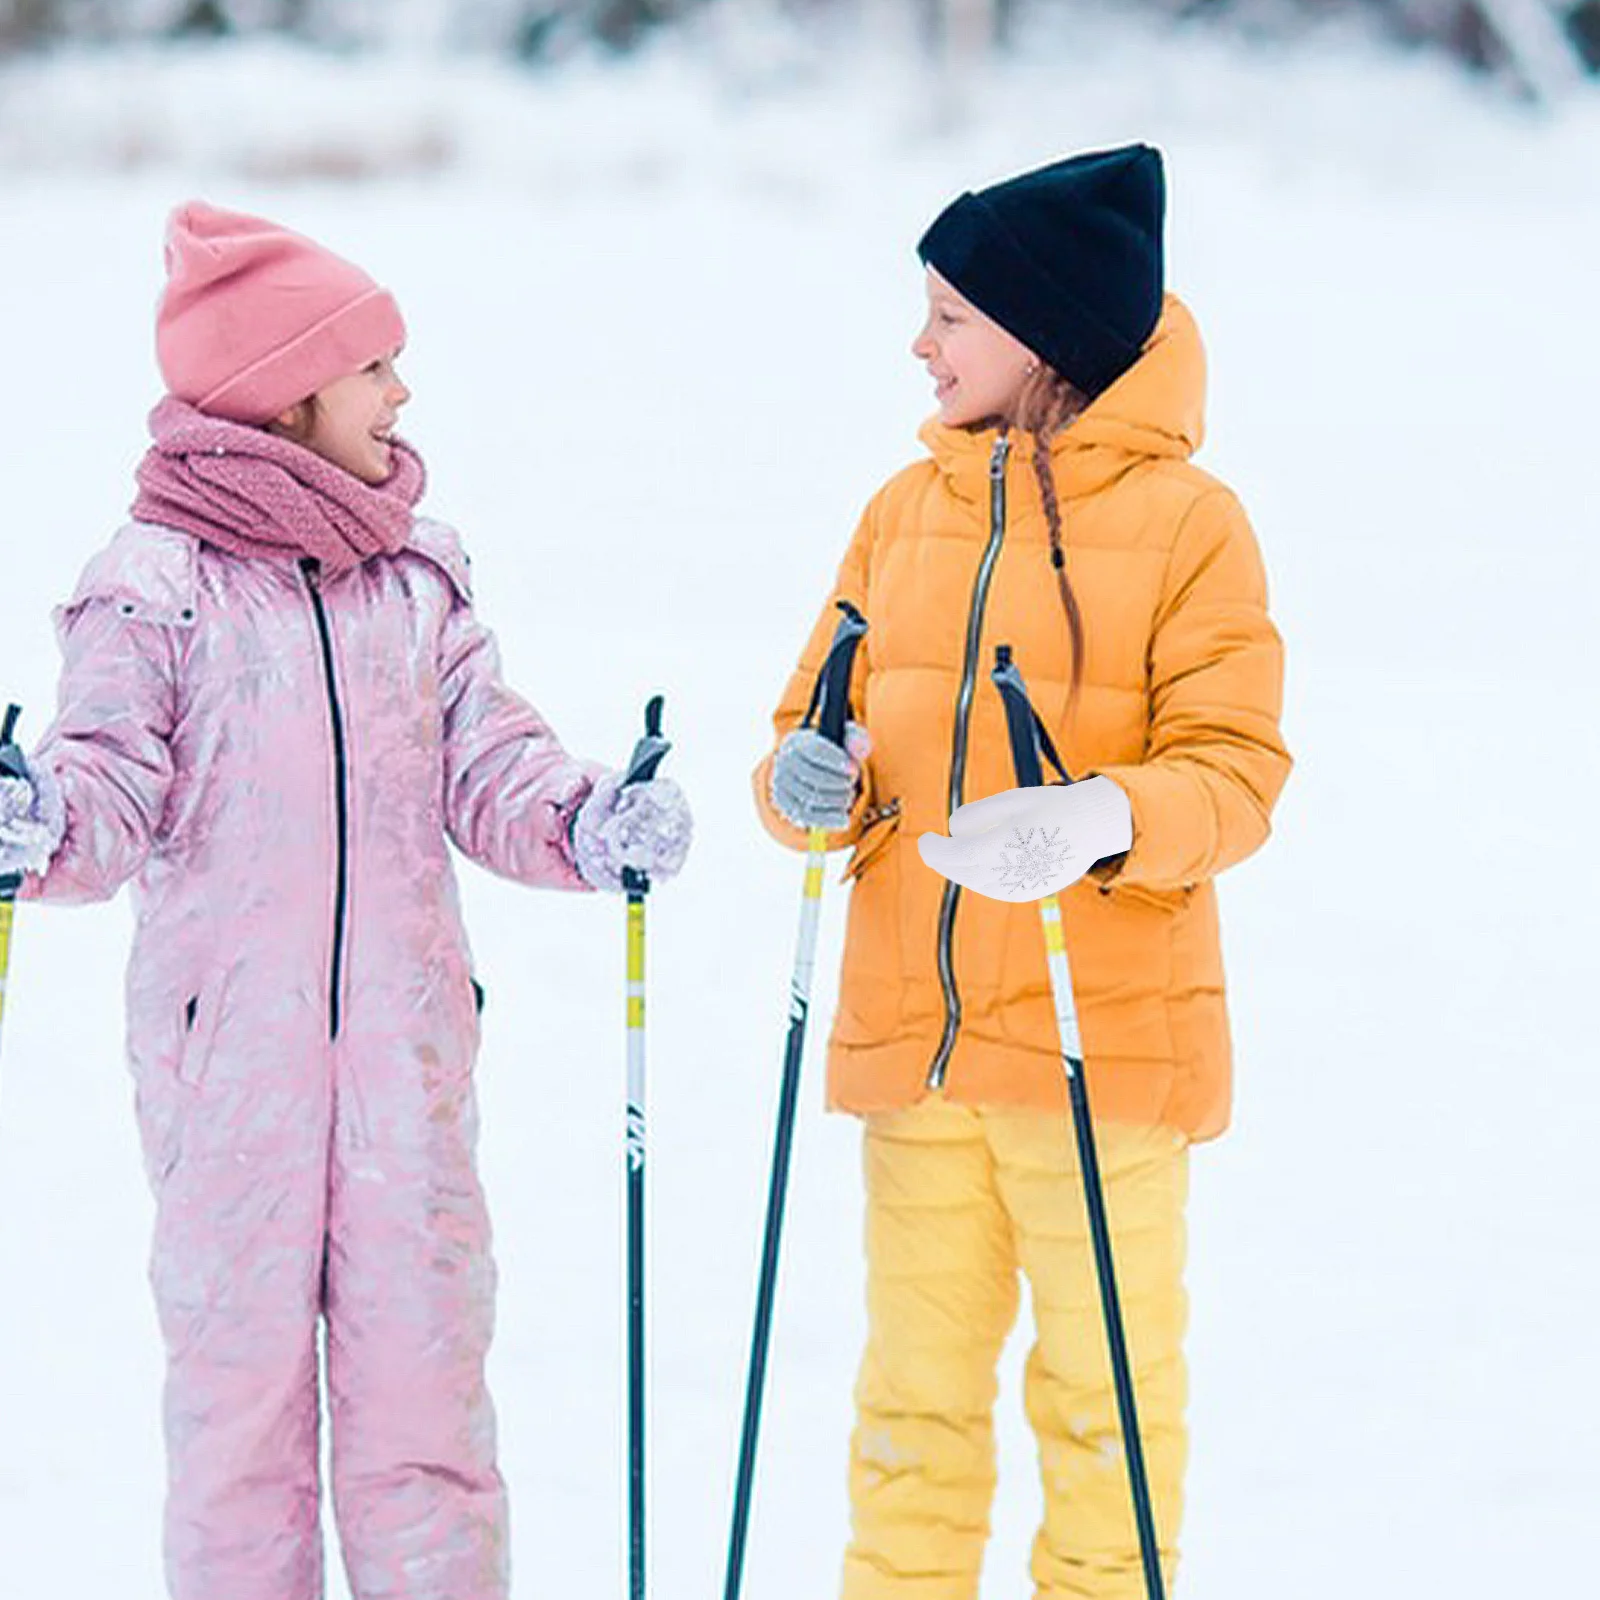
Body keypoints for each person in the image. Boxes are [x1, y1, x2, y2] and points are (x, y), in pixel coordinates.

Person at [0, 200, 691, 1600]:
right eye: (375, 365)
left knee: (428, 1423)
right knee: (239, 1439)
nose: (401, 392)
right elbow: (105, 796)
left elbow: (490, 758)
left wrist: (586, 816)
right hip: (230, 1098)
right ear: (286, 388)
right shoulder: (155, 589)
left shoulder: (414, 576)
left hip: (406, 1093)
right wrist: (37, 821)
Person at [756, 144, 1291, 1599]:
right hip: (917, 1062)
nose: (918, 346)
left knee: (1106, 1415)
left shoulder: (1193, 527)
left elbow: (1238, 773)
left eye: (949, 317)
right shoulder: (902, 510)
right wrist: (809, 783)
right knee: (908, 1422)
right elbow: (816, 727)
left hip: (1099, 1060)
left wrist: (1104, 818)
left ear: (1044, 333)